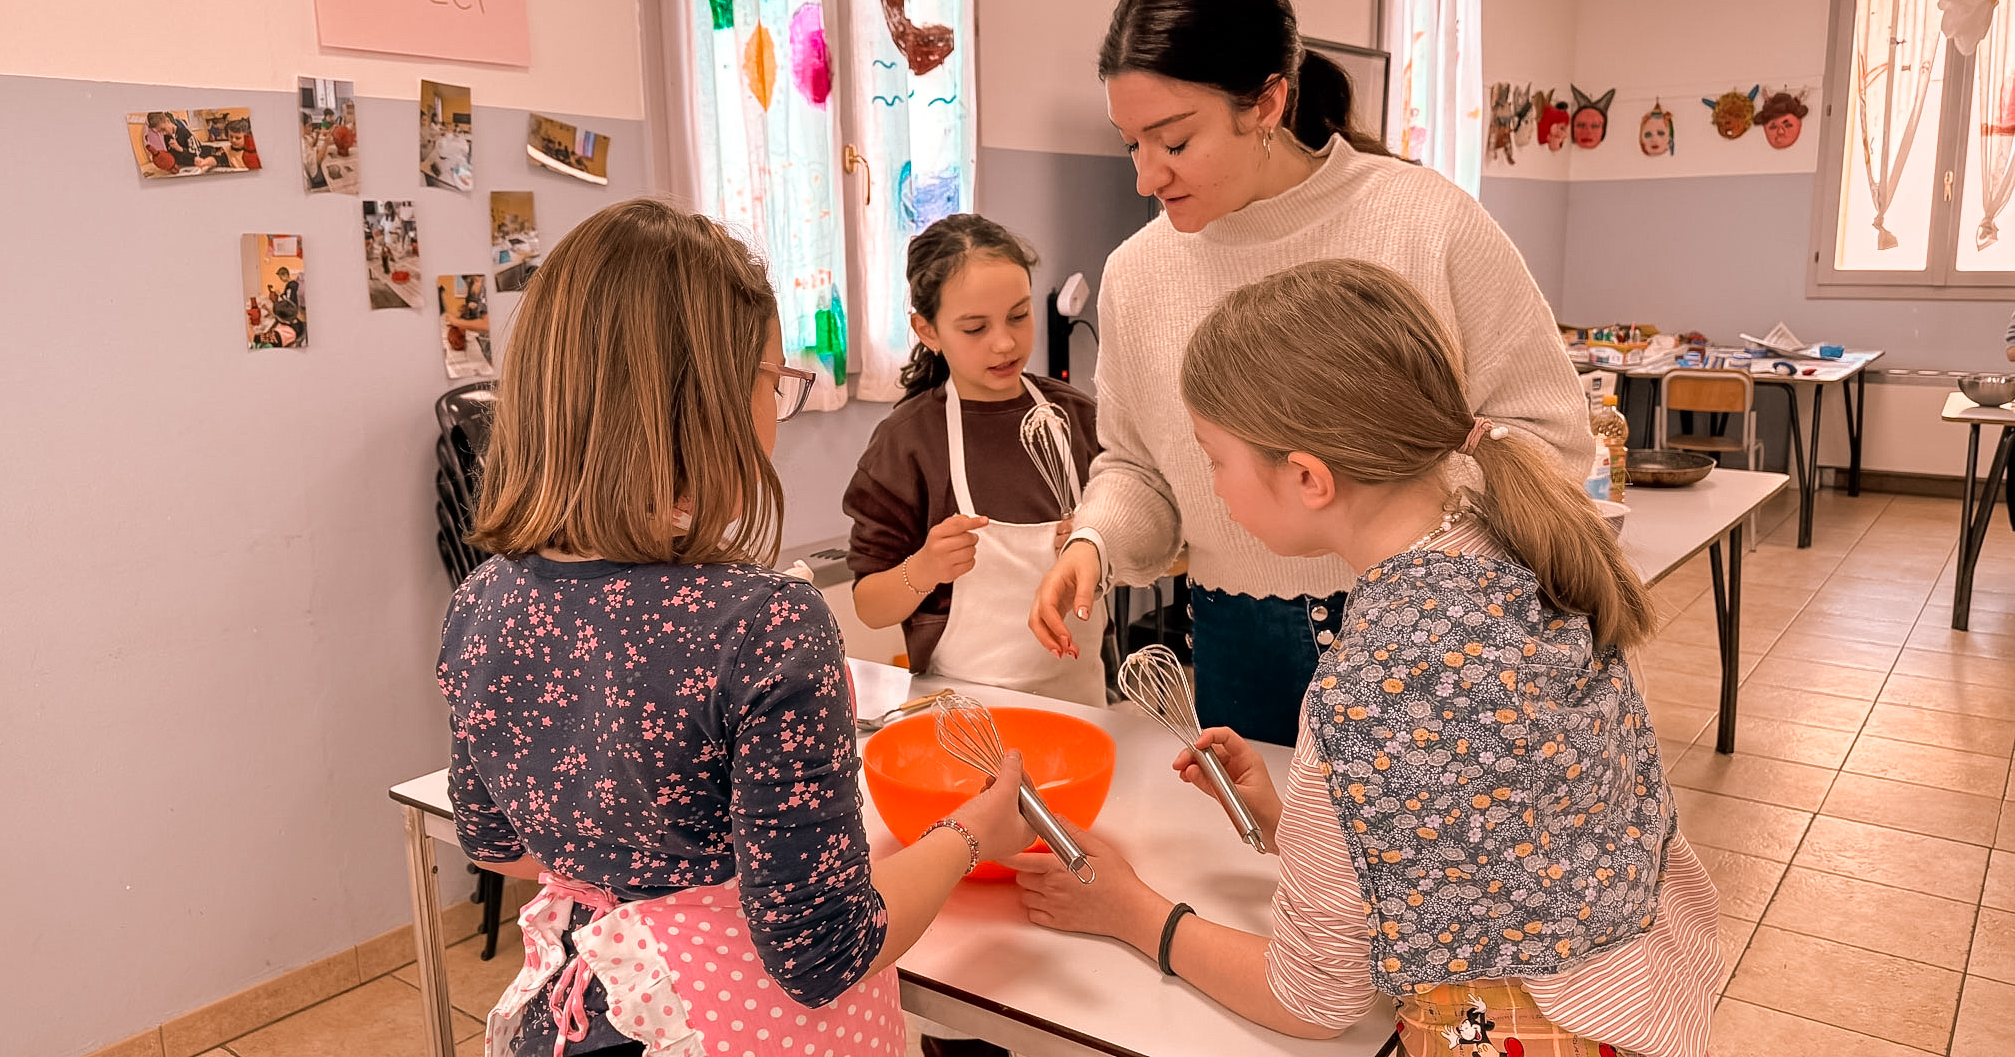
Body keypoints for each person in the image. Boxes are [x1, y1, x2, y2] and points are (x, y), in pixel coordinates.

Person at [1012, 259, 1720, 1057]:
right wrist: (1303, 825)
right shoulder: (1523, 556)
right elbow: (1497, 840)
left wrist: (1132, 911)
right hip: (1650, 1005)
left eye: (1214, 459)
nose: (1211, 486)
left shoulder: (1368, 686)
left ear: (1308, 477)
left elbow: (1313, 998)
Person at [441, 199, 1037, 1057]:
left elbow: (495, 843)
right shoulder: (764, 625)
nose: (775, 406)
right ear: (709, 401)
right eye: (775, 381)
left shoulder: (484, 600)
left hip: (591, 1017)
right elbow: (826, 949)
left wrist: (635, 881)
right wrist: (977, 828)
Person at [1029, 0, 1593, 746]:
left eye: (1176, 142)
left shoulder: (1422, 222)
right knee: (1255, 863)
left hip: (1438, 625)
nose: (1146, 179)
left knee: (1425, 869)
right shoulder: (1139, 273)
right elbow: (1139, 469)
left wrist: (1401, 535)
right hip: (1237, 636)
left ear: (1266, 102)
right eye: (1131, 145)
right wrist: (1098, 539)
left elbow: (1549, 442)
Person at [845, 214, 1107, 704]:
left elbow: (1136, 548)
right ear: (928, 330)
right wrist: (923, 568)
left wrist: (1098, 543)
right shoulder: (907, 444)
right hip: (963, 716)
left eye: (1018, 315)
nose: (1004, 342)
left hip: (1082, 703)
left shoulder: (1077, 417)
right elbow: (868, 606)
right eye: (974, 328)